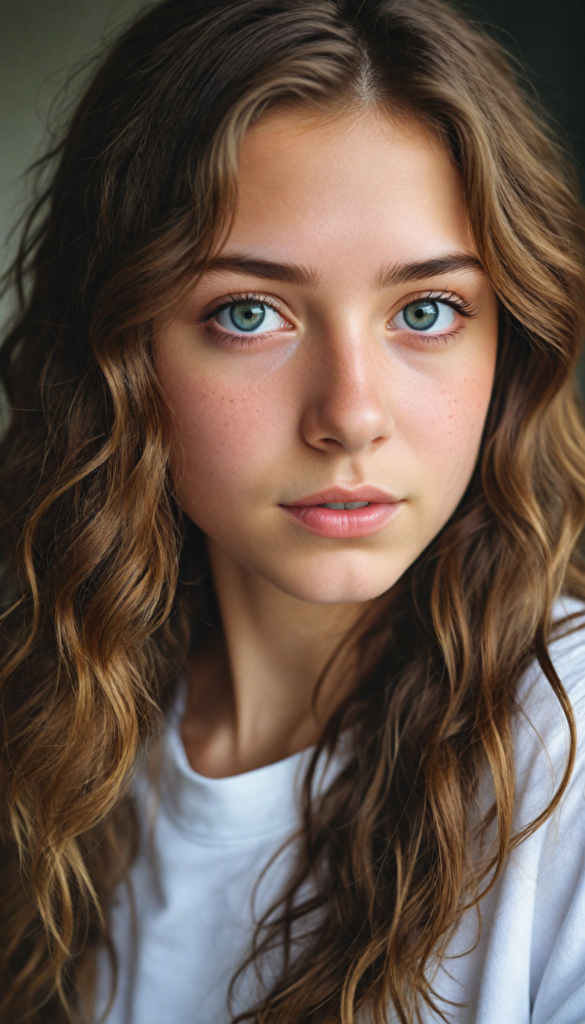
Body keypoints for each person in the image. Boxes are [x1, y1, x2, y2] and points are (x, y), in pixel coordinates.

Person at [1, 0, 585, 1021]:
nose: (350, 415)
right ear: (120, 353)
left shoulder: (564, 748)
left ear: (512, 343)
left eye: (425, 311)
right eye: (249, 313)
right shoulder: (49, 716)